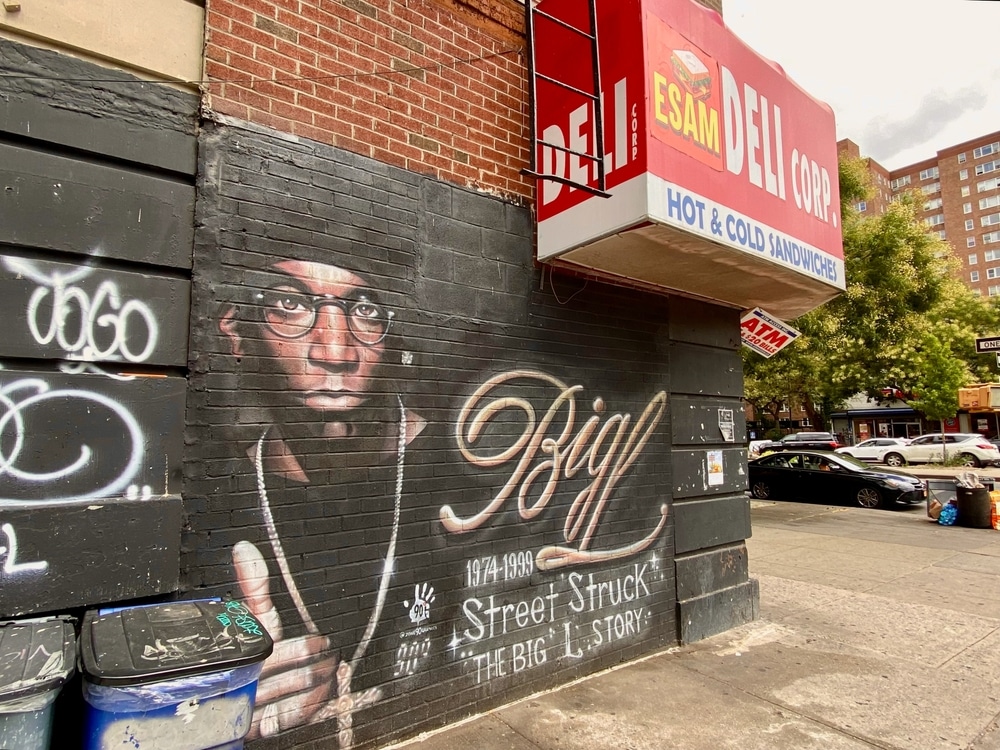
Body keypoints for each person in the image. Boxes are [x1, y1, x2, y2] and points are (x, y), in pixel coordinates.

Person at [217, 258, 425, 745]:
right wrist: (228, 689)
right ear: (236, 331)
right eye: (289, 305)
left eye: (366, 310)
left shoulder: (461, 470)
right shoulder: (223, 493)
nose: (335, 351)